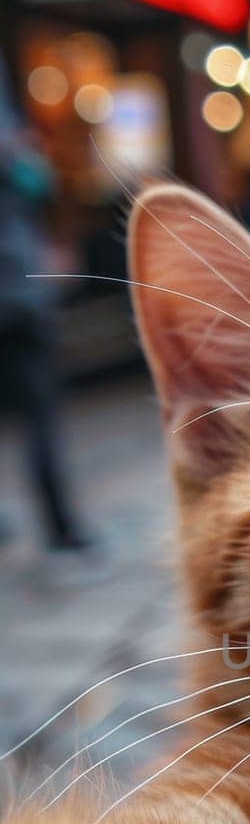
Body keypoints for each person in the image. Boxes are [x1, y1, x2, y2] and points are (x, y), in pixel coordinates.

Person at [0, 68, 89, 550]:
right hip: (18, 289)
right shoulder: (12, 144)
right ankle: (62, 528)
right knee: (40, 415)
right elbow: (38, 182)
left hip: (18, 286)